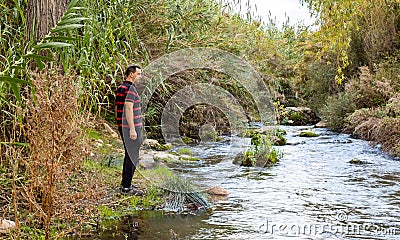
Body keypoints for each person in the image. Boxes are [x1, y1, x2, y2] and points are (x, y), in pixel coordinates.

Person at [115, 65, 144, 195]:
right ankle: (126, 187)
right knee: (132, 156)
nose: (140, 77)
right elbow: (128, 109)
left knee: (129, 154)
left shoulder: (121, 88)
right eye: (138, 74)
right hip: (131, 127)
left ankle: (126, 183)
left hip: (123, 127)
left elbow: (118, 109)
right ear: (131, 74)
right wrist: (132, 129)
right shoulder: (131, 89)